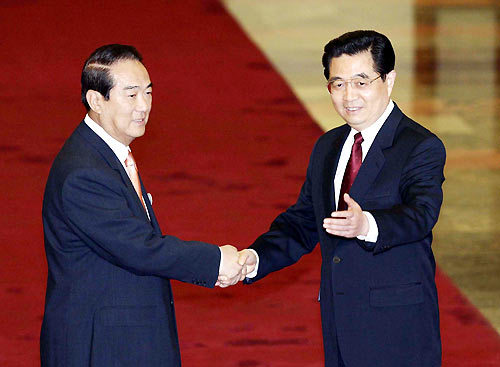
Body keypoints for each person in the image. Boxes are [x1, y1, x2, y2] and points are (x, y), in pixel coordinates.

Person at [234, 30, 445, 367]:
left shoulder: (420, 145)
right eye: (338, 84)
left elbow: (421, 214)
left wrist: (367, 224)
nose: (349, 96)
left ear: (388, 80)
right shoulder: (328, 146)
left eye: (361, 82)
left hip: (398, 329)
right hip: (340, 321)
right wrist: (255, 257)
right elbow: (305, 220)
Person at [40, 44, 250, 366]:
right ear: (97, 100)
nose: (144, 106)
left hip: (122, 336)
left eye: (148, 93)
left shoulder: (108, 152)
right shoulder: (83, 173)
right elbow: (139, 248)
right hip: (101, 347)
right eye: (131, 94)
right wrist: (215, 261)